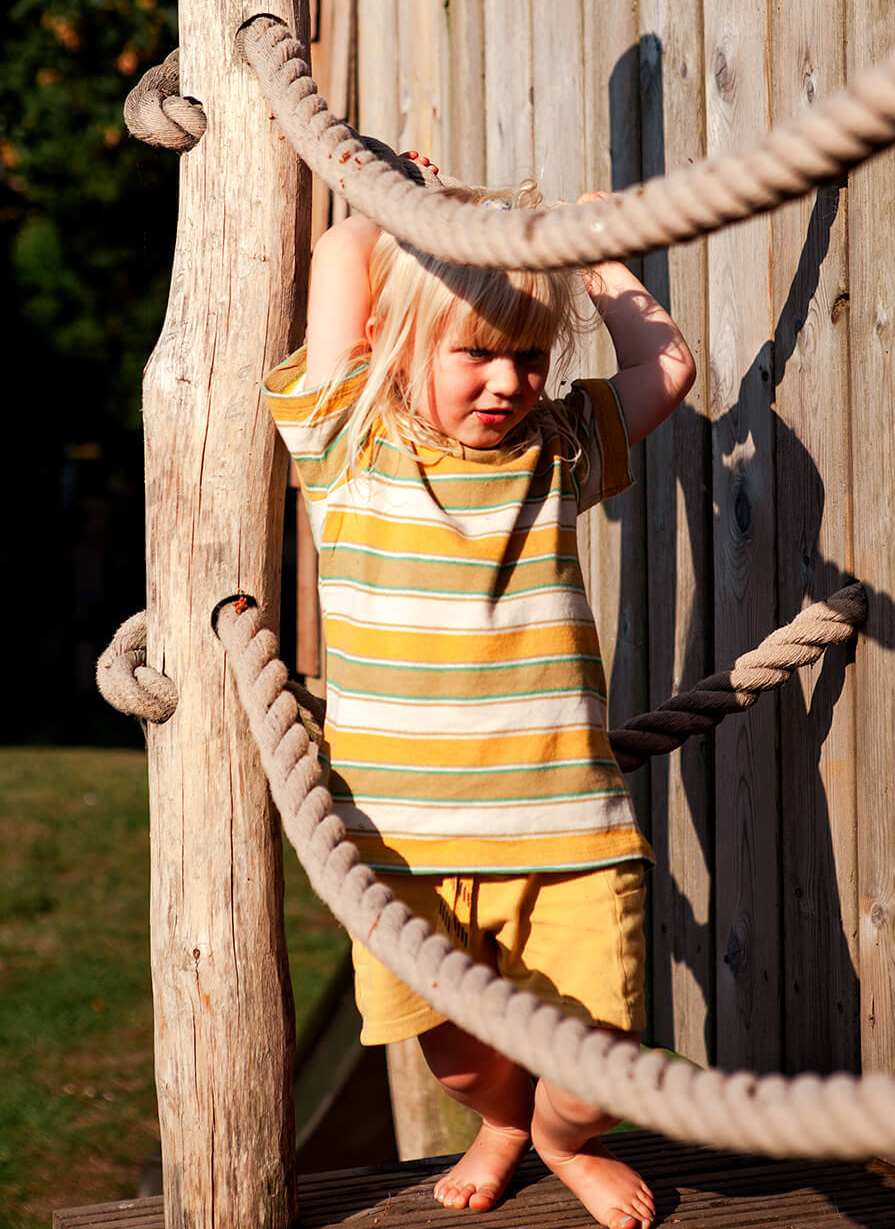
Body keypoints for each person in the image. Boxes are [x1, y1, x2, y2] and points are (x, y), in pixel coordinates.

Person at [263, 171, 695, 1229]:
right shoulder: (347, 445)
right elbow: (337, 263)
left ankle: (559, 1139)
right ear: (393, 343)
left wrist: (600, 262)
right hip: (401, 846)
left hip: (567, 832)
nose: (508, 381)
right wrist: (386, 204)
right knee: (461, 1066)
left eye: (529, 358)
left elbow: (668, 367)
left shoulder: (557, 450)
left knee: (598, 1068)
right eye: (477, 354)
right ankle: (503, 1124)